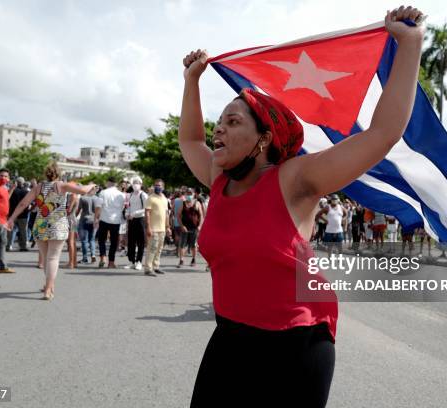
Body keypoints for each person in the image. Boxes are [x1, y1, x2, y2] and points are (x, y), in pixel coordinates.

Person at [180, 6, 425, 406]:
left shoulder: (294, 180)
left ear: (263, 139)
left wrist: (410, 44)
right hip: (229, 337)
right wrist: (192, 81)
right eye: (219, 121)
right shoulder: (218, 177)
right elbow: (190, 141)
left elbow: (383, 134)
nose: (218, 129)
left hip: (295, 345)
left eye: (233, 121)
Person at [6, 163, 94, 300]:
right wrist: (91, 185)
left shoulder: (38, 187)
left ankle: (49, 285)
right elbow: (83, 190)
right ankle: (48, 288)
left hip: (40, 224)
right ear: (58, 174)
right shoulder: (62, 185)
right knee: (53, 257)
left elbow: (23, 203)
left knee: (47, 258)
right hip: (57, 224)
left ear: (45, 174)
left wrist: (11, 218)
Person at [94, 177, 126, 268]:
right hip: (116, 221)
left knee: (102, 240)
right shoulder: (121, 195)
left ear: (108, 182)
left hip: (104, 219)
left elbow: (98, 206)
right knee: (113, 242)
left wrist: (96, 218)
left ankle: (103, 257)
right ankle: (111, 262)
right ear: (116, 183)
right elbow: (122, 208)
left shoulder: (103, 192)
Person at [144, 179, 170, 276]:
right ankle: (148, 268)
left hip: (162, 228)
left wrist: (168, 226)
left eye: (159, 185)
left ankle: (156, 266)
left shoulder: (164, 198)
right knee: (152, 248)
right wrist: (148, 227)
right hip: (153, 228)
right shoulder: (151, 198)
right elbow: (147, 213)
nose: (157, 187)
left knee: (159, 249)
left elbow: (166, 214)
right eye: (155, 185)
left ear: (163, 187)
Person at [125, 177, 148, 270]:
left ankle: (139, 261)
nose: (135, 184)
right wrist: (127, 213)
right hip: (131, 220)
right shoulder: (130, 195)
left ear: (141, 184)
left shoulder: (143, 195)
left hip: (140, 220)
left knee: (140, 242)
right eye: (134, 182)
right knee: (131, 241)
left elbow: (146, 209)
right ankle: (132, 261)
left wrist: (134, 213)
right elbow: (128, 206)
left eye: (137, 183)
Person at [176, 188, 203, 268]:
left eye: (190, 193)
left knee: (193, 245)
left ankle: (194, 259)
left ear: (194, 194)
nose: (189, 195)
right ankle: (181, 260)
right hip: (185, 227)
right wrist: (181, 226)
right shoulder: (183, 203)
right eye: (188, 193)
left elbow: (201, 215)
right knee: (182, 245)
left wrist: (199, 226)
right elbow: (178, 215)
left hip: (194, 228)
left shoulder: (197, 203)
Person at [7, 177, 30, 252]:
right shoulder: (26, 192)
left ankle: (8, 245)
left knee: (10, 231)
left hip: (12, 214)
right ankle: (23, 246)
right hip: (23, 214)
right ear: (23, 183)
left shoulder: (12, 191)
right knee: (23, 231)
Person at [77, 185, 99, 264]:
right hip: (94, 220)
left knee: (84, 240)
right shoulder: (97, 199)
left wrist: (75, 217)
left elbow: (78, 210)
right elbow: (99, 210)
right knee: (92, 239)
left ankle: (85, 258)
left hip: (84, 219)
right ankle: (93, 255)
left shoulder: (83, 198)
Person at [64, 186, 79, 269]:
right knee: (72, 242)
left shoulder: (73, 196)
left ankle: (71, 263)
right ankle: (74, 262)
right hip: (72, 218)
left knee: (70, 242)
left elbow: (69, 210)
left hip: (70, 219)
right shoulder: (72, 195)